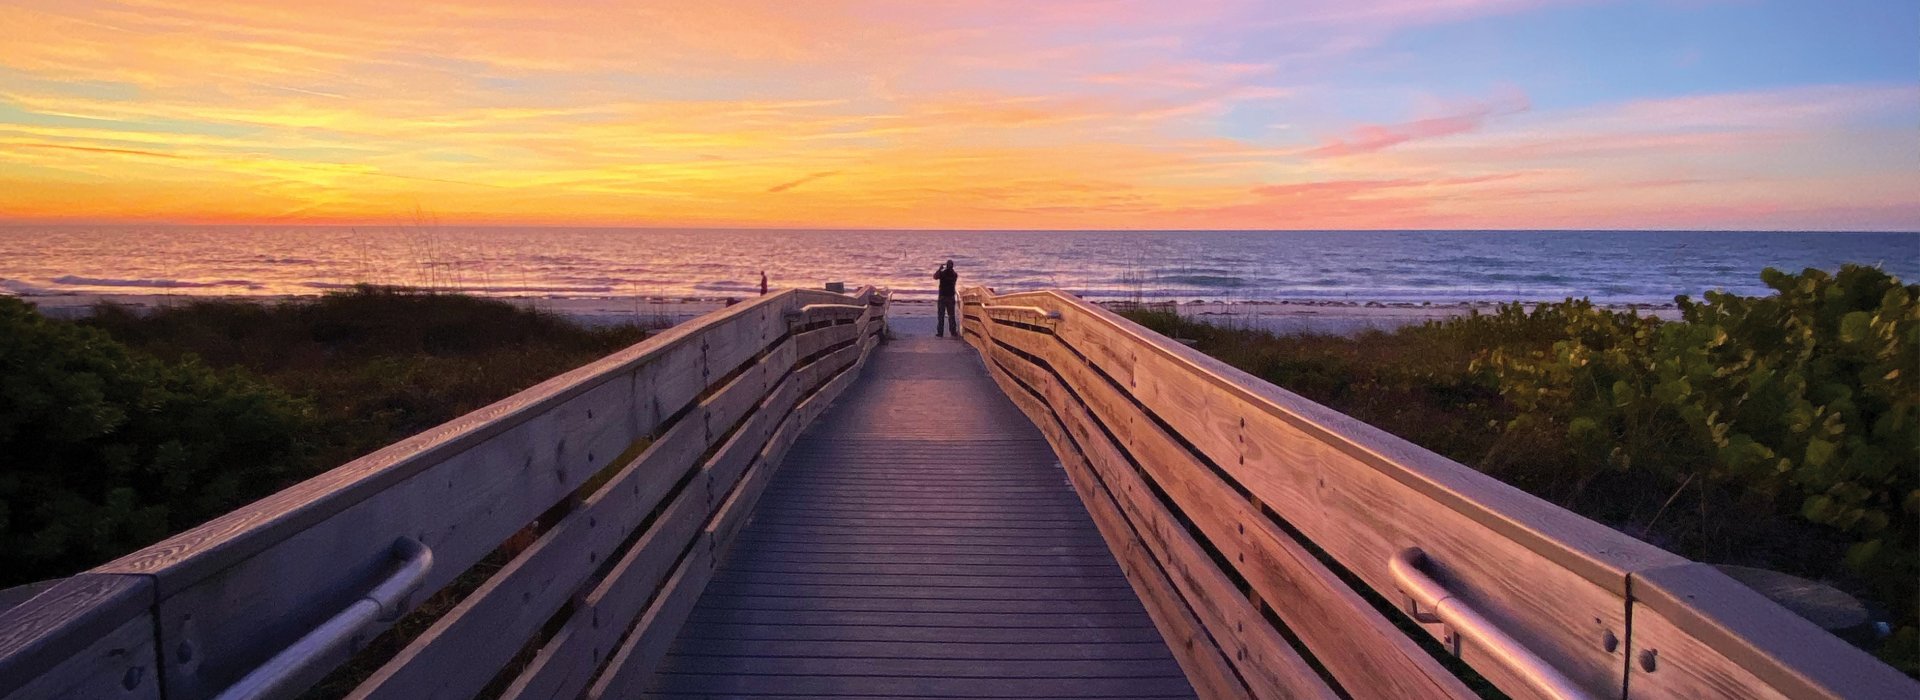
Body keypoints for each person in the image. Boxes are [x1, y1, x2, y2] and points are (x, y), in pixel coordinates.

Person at [933, 259, 959, 337]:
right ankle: (953, 332)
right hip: (950, 297)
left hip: (943, 296)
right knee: (951, 315)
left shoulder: (943, 273)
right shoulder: (954, 274)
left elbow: (935, 277)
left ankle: (940, 332)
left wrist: (939, 269)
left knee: (941, 315)